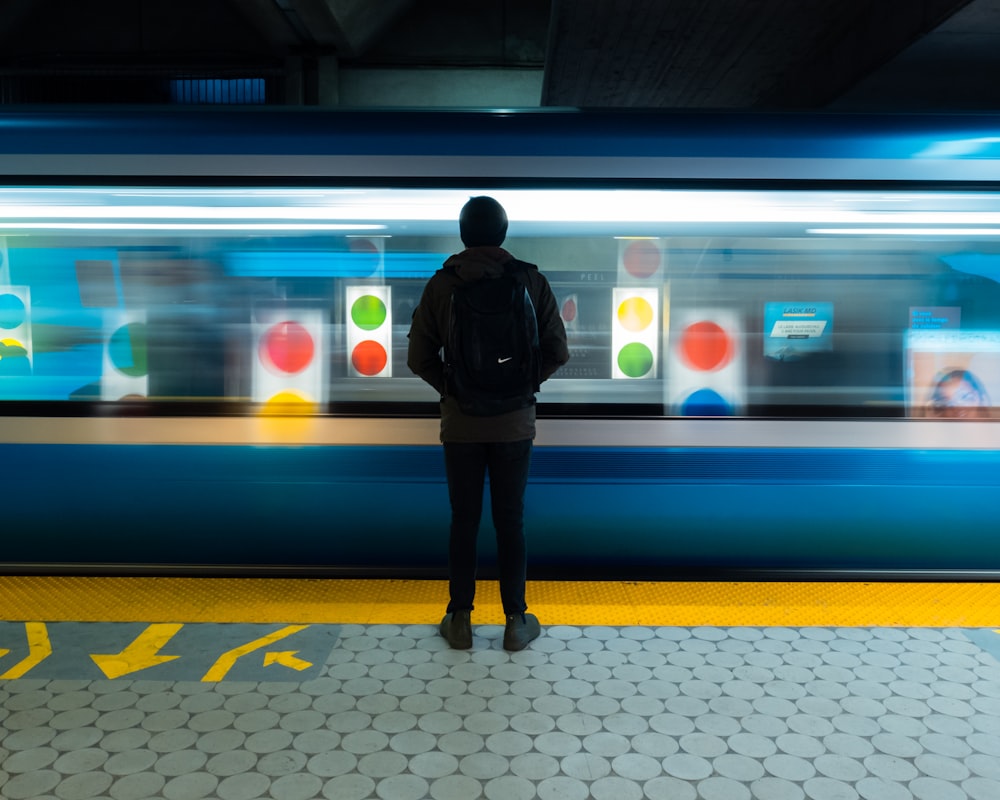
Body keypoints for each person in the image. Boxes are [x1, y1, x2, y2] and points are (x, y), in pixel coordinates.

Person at [407, 196, 569, 651]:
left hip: (461, 425)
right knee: (510, 520)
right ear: (503, 233)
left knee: (464, 519)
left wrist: (455, 388)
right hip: (515, 425)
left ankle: (459, 619)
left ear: (463, 234)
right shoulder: (530, 280)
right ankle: (516, 621)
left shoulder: (442, 286)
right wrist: (518, 387)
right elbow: (559, 352)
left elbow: (417, 357)